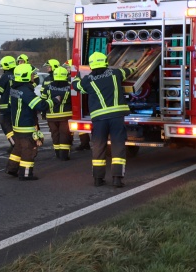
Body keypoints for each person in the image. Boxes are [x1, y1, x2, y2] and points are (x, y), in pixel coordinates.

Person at [72, 52, 136, 188]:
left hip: (99, 119)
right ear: (105, 62)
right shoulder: (116, 73)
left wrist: (79, 75)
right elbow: (130, 70)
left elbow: (76, 86)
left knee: (98, 147)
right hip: (117, 117)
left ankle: (98, 179)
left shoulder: (88, 80)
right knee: (118, 146)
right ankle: (117, 179)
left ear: (91, 65)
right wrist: (133, 67)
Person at [6, 63, 52, 180]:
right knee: (29, 150)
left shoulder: (15, 89)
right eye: (32, 74)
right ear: (26, 76)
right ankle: (26, 174)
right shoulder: (25, 91)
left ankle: (11, 169)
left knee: (18, 148)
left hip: (17, 126)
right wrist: (52, 101)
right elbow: (39, 105)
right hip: (26, 127)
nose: (34, 76)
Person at [43, 66, 73, 161]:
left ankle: (58, 154)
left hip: (51, 116)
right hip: (65, 116)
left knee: (55, 134)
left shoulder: (48, 87)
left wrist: (43, 113)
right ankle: (64, 155)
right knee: (65, 134)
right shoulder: (70, 87)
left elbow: (43, 101)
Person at [0, 56, 17, 158]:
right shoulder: (17, 75)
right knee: (16, 127)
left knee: (5, 125)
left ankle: (15, 145)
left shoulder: (5, 76)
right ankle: (16, 144)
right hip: (17, 106)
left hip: (6, 107)